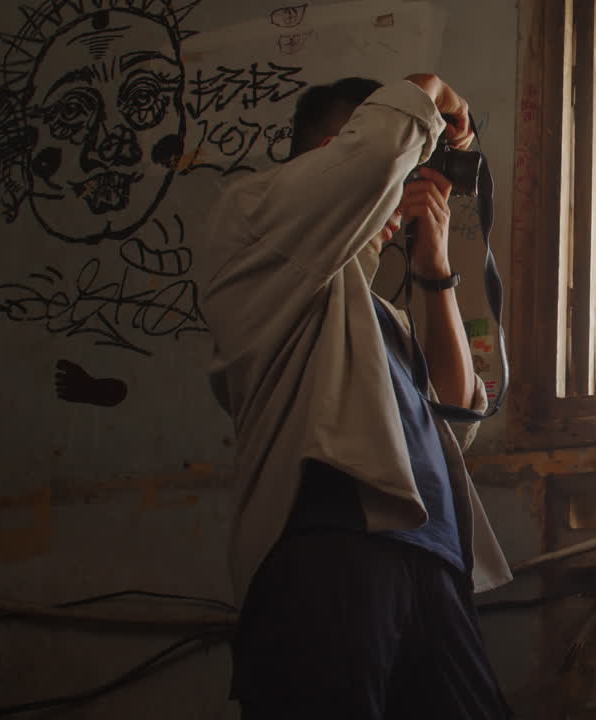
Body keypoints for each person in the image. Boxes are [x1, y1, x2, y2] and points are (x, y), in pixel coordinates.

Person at [198, 73, 514, 719]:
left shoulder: (381, 318)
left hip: (433, 559)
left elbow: (457, 416)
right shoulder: (255, 225)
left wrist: (433, 265)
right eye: (407, 171)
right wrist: (436, 93)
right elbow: (371, 160)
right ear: (334, 150)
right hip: (329, 547)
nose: (400, 200)